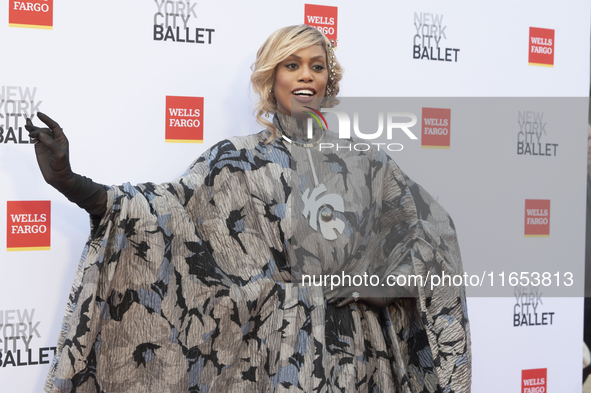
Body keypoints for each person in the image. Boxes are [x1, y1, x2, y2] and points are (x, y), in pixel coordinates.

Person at [27, 25, 471, 393]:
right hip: (278, 360)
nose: (306, 76)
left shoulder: (369, 163)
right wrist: (72, 183)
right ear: (270, 78)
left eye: (317, 67)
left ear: (328, 82)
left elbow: (430, 240)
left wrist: (370, 284)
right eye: (291, 65)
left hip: (361, 356)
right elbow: (167, 214)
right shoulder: (236, 161)